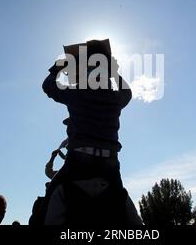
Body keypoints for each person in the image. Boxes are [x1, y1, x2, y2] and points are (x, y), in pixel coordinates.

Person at [40, 40, 141, 225]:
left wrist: (57, 68)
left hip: (78, 163)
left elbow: (47, 86)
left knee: (46, 204)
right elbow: (128, 92)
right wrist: (115, 72)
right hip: (109, 165)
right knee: (130, 219)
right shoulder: (115, 97)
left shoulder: (76, 93)